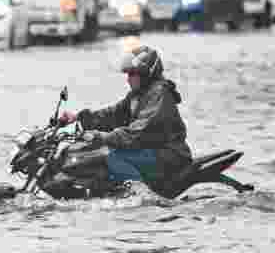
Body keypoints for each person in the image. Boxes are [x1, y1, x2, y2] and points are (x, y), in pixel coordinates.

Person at [57, 45, 192, 189]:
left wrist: (100, 137)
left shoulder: (159, 94)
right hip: (151, 151)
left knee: (113, 157)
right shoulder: (138, 95)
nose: (128, 79)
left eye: (132, 74)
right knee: (95, 155)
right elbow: (113, 115)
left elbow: (136, 132)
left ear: (147, 73)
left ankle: (139, 196)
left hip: (169, 154)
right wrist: (77, 117)